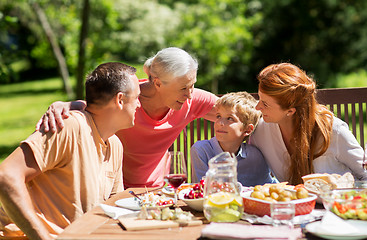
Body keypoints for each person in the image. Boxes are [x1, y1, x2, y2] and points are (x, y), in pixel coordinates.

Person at [36, 47, 218, 188]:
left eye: (192, 85)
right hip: (115, 191)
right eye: (184, 88)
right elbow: (97, 107)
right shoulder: (128, 99)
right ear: (157, 83)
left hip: (160, 190)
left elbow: (233, 108)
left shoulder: (189, 101)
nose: (190, 94)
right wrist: (66, 105)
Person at [0, 62, 141, 239]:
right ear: (120, 100)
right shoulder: (68, 126)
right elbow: (6, 177)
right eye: (137, 98)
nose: (139, 105)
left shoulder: (115, 145)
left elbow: (115, 208)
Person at [250, 63, 367, 185]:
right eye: (259, 99)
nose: (258, 107)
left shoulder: (333, 130)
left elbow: (364, 174)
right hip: (292, 203)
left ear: (290, 111)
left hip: (338, 201)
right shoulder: (260, 131)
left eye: (265, 104)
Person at [191, 92, 277, 186]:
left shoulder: (255, 156)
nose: (220, 123)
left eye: (230, 118)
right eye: (218, 116)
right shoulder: (201, 150)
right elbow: (202, 190)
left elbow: (268, 185)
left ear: (247, 129)